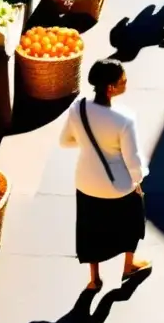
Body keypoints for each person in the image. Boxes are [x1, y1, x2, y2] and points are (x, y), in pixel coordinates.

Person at [60, 59, 150, 291]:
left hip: (86, 182)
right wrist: (138, 180)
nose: (126, 83)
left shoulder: (77, 109)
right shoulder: (124, 118)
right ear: (111, 87)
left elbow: (65, 141)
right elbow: (133, 160)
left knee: (91, 230)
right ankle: (129, 265)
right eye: (123, 81)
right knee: (132, 222)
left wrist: (89, 145)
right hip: (118, 186)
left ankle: (94, 279)